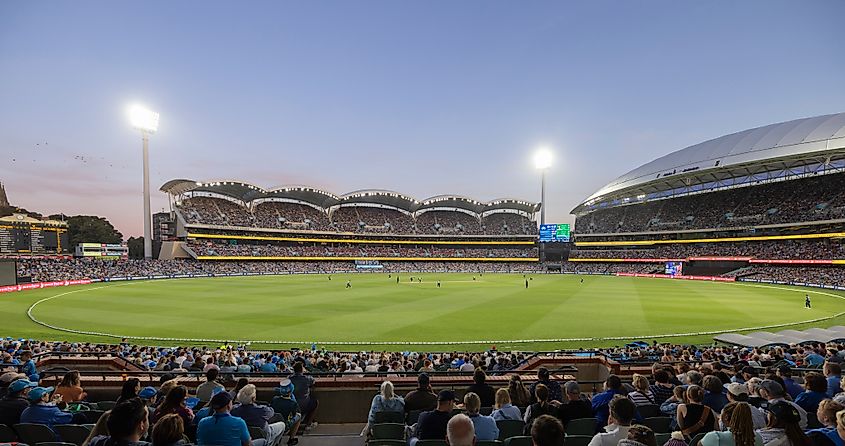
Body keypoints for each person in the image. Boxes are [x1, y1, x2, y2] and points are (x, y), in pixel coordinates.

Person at [270, 379, 301, 446]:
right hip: (285, 425)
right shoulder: (293, 403)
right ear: (291, 391)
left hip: (274, 423)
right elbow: (294, 414)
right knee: (299, 416)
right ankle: (291, 439)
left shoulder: (275, 399)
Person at [290, 361, 319, 432]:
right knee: (316, 402)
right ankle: (308, 424)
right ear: (302, 369)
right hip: (304, 404)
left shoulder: (290, 378)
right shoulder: (307, 378)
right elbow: (313, 381)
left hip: (292, 404)